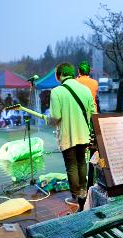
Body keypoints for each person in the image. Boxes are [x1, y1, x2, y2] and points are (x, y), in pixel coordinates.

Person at [49, 62, 95, 212]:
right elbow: (92, 111)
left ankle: (75, 196)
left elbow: (56, 116)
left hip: (68, 135)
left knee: (71, 165)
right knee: (82, 162)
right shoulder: (85, 89)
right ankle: (83, 192)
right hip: (83, 134)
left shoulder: (56, 92)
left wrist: (49, 120)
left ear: (59, 75)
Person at [76, 60, 99, 190]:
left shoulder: (75, 82)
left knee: (80, 151)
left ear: (79, 71)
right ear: (89, 71)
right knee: (94, 149)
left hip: (80, 118)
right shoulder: (94, 83)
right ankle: (92, 181)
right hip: (93, 118)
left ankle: (81, 184)